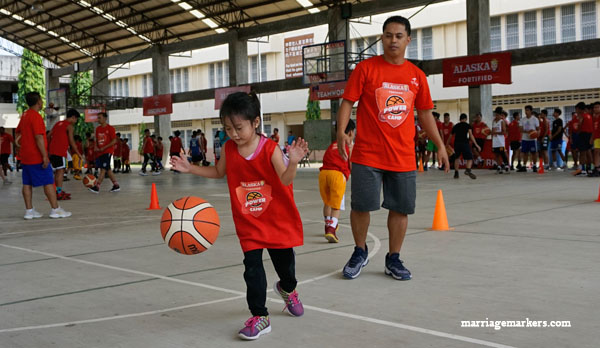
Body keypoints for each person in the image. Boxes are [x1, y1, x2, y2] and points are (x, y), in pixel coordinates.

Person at [171, 92, 309, 340]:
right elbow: (218, 171)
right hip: (249, 222)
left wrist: (294, 162)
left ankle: (288, 290)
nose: (233, 133)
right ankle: (260, 316)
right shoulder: (228, 149)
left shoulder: (269, 148)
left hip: (277, 219)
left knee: (286, 267)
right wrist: (190, 167)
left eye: (238, 127)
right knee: (252, 269)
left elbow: (285, 180)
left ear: (255, 122)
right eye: (227, 128)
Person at [336, 16, 449, 281]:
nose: (393, 40)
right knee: (361, 206)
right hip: (367, 154)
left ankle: (393, 258)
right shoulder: (365, 69)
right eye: (388, 35)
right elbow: (347, 102)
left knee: (400, 209)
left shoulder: (417, 76)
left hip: (403, 156)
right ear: (382, 38)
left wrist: (441, 146)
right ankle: (360, 251)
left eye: (398, 36)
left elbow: (425, 114)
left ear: (408, 39)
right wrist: (341, 132)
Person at [15, 91, 71, 219]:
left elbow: (17, 135)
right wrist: (45, 156)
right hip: (36, 156)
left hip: (26, 156)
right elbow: (39, 137)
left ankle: (29, 211)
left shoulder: (24, 115)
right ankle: (55, 209)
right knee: (48, 182)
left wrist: (20, 147)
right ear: (39, 101)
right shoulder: (36, 116)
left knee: (27, 183)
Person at [319, 119, 356, 243]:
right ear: (350, 132)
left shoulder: (332, 145)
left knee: (328, 202)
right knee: (337, 205)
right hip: (337, 175)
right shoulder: (348, 146)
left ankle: (327, 224)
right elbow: (351, 164)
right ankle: (332, 229)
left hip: (324, 174)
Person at [48, 108, 83, 200]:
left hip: (52, 151)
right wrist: (79, 154)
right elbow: (72, 142)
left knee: (57, 172)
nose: (75, 121)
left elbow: (48, 135)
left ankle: (57, 190)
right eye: (76, 119)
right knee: (61, 171)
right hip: (60, 151)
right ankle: (58, 193)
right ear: (73, 117)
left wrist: (48, 148)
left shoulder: (57, 124)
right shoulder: (69, 126)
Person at [89, 112, 120, 193]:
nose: (98, 119)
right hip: (100, 152)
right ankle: (116, 185)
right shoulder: (98, 129)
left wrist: (104, 148)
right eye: (98, 118)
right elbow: (96, 139)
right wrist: (96, 147)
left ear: (105, 118)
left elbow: (114, 141)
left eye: (100, 117)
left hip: (107, 151)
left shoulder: (110, 128)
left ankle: (97, 186)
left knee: (103, 169)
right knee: (107, 169)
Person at [448, 113, 479, 179]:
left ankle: (456, 173)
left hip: (456, 143)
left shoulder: (456, 126)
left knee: (457, 158)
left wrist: (446, 144)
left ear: (460, 119)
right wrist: (476, 144)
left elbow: (450, 136)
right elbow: (471, 135)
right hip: (464, 143)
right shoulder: (467, 125)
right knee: (470, 158)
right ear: (466, 119)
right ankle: (468, 170)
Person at [518, 105, 540, 172]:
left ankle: (534, 166)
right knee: (525, 152)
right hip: (525, 138)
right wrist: (528, 131)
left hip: (532, 139)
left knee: (533, 152)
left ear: (531, 111)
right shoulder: (522, 120)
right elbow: (520, 130)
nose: (526, 112)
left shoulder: (535, 119)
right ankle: (524, 166)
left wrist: (535, 134)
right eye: (525, 110)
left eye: (527, 110)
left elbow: (538, 129)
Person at [574, 102, 594, 176]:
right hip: (589, 134)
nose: (576, 111)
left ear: (579, 109)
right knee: (588, 152)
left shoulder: (582, 116)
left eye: (576, 109)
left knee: (582, 153)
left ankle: (583, 170)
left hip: (583, 134)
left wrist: (578, 133)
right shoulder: (588, 115)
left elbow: (579, 126)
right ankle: (590, 169)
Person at [491, 107, 509, 174]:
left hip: (501, 141)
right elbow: (492, 131)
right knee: (496, 154)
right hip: (495, 141)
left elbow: (504, 132)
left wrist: (496, 133)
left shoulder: (502, 121)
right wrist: (492, 133)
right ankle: (499, 166)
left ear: (500, 115)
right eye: (496, 114)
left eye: (498, 115)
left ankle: (506, 165)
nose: (496, 116)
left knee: (502, 153)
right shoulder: (493, 121)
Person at [590, 101, 600, 177]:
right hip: (596, 137)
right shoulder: (594, 117)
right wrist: (592, 138)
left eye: (597, 107)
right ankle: (596, 168)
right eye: (594, 107)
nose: (595, 109)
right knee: (596, 152)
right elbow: (593, 129)